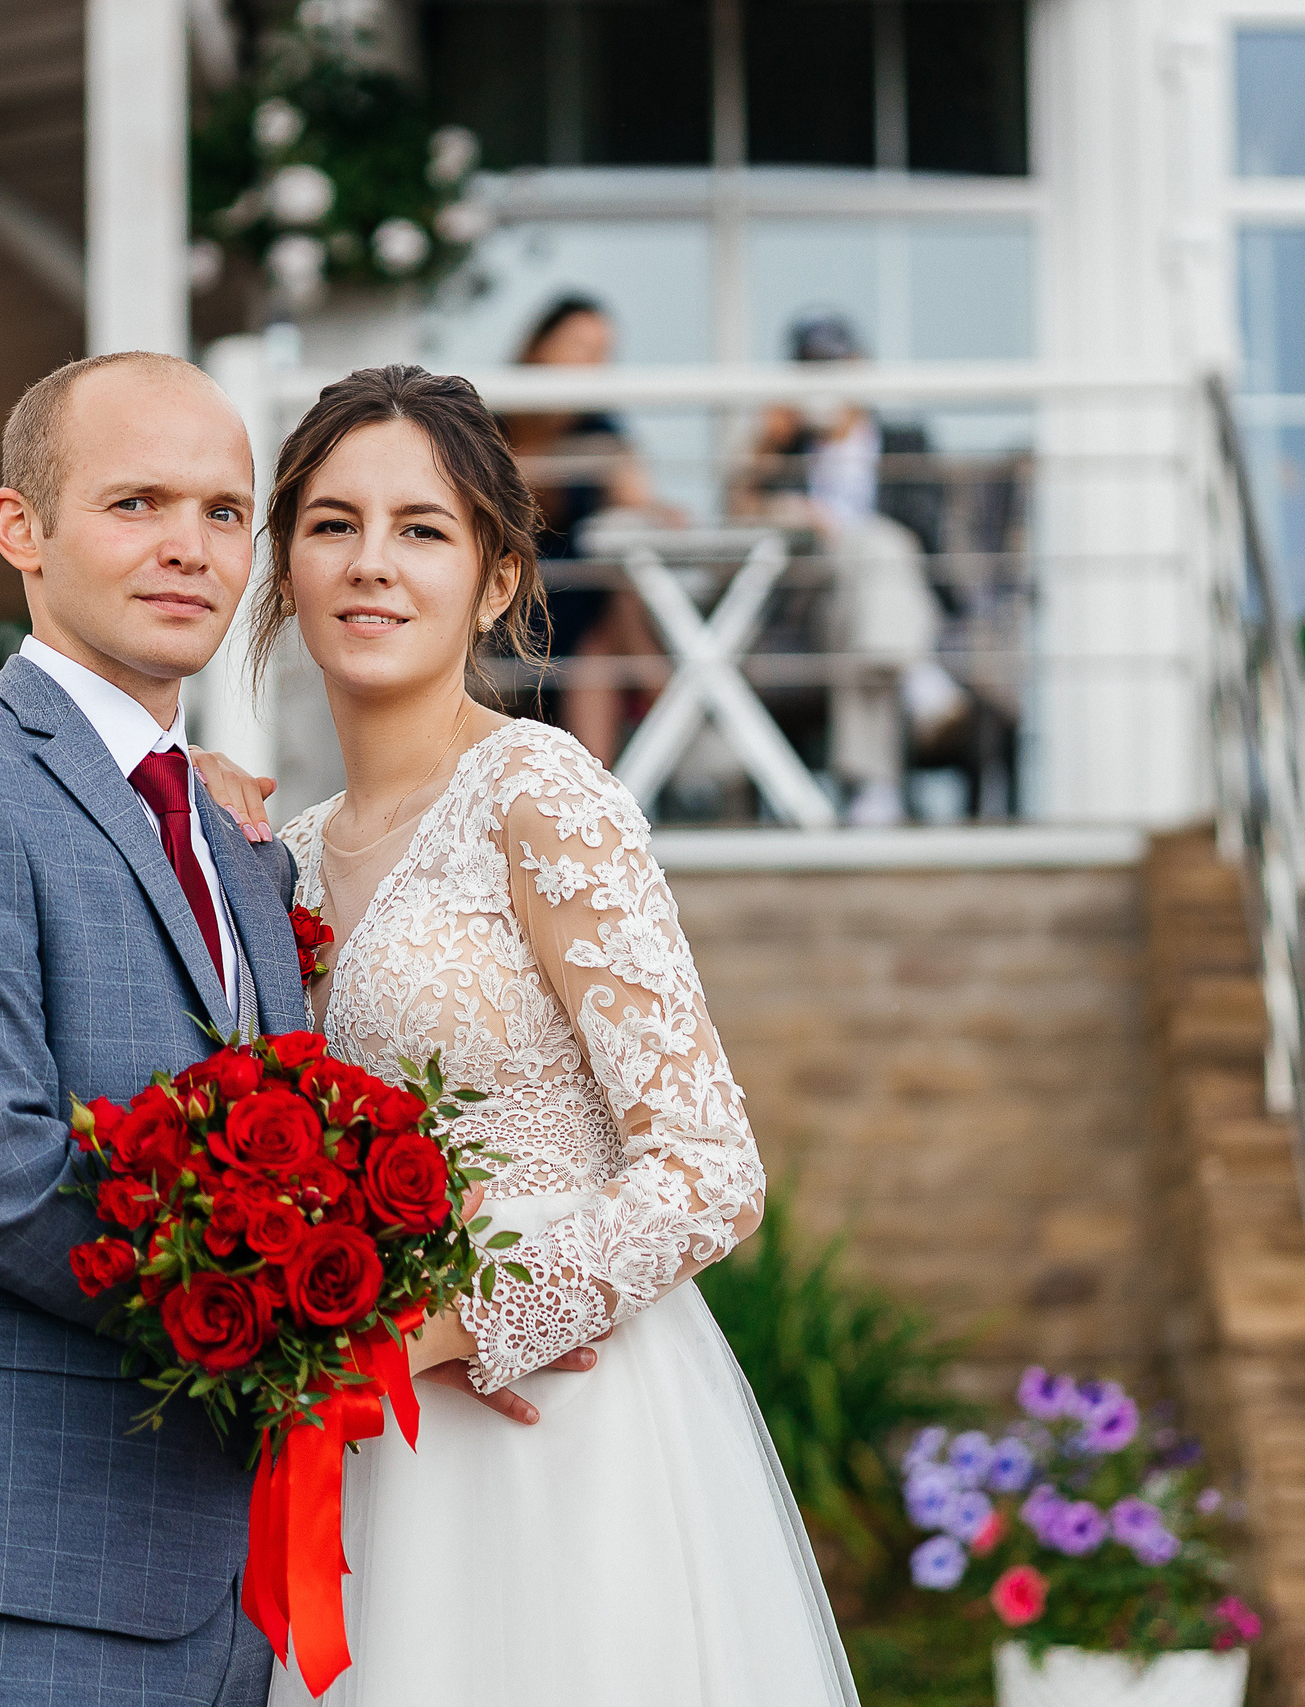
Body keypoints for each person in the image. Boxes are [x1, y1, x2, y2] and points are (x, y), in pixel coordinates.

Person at [0, 351, 585, 1707]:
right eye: (135, 503)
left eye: (225, 512)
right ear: (21, 529)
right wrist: (347, 1316)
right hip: (31, 1555)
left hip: (250, 1566)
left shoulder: (237, 842)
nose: (189, 547)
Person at [201, 365, 854, 1706]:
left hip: (564, 1431)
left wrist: (441, 1324)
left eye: (421, 529)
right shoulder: (282, 853)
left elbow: (710, 1173)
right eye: (332, 524)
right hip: (374, 1457)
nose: (370, 564)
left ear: (496, 576)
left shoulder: (541, 794)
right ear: (284, 564)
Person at [731, 309, 975, 825]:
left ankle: (874, 789)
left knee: (874, 567)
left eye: (836, 369)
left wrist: (841, 528)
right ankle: (918, 679)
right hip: (814, 604)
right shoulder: (787, 451)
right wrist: (765, 447)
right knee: (864, 590)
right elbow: (738, 518)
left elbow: (923, 529)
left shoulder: (905, 441)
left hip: (898, 595)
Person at [496, 296, 672, 765]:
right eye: (579, 347)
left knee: (604, 620)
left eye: (601, 353)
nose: (590, 364)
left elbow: (638, 500)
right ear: (538, 348)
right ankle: (677, 703)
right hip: (511, 598)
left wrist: (656, 510)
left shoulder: (601, 430)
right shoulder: (489, 426)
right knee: (607, 609)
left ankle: (599, 791)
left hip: (583, 602)